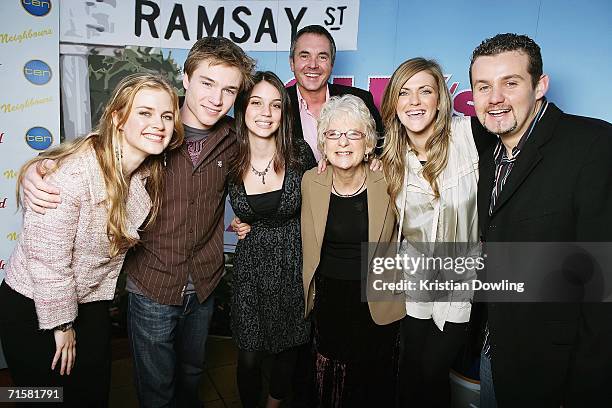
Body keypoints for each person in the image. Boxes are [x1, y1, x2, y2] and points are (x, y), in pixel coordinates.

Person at [19, 36, 256, 407]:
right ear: (186, 78)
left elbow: (271, 167)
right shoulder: (151, 124)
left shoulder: (234, 137)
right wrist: (38, 169)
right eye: (208, 83)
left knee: (191, 374)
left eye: (229, 90)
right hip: (152, 284)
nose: (216, 98)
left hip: (205, 282)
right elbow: (97, 150)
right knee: (153, 388)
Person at [0, 73, 183, 406]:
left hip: (90, 301)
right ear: (118, 118)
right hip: (35, 305)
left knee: (94, 395)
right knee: (45, 398)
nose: (158, 123)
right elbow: (48, 260)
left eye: (166, 115)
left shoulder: (142, 172)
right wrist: (62, 326)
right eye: (145, 112)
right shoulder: (71, 174)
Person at [470, 33, 612, 406]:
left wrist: (586, 386)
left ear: (540, 86)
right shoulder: (488, 155)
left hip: (557, 370)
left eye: (510, 83)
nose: (495, 98)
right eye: (483, 86)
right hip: (495, 352)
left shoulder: (593, 145)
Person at [380, 58, 492, 408]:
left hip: (460, 283)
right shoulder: (389, 155)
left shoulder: (470, 136)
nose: (414, 101)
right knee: (412, 373)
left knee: (431, 370)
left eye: (424, 91)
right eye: (404, 92)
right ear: (393, 103)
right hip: (412, 280)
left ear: (440, 99)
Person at [301, 94, 404, 406]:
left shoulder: (390, 178)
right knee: (331, 386)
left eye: (353, 134)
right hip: (330, 301)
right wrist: (245, 222)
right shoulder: (310, 181)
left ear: (369, 142)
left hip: (377, 302)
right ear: (323, 142)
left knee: (373, 383)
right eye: (333, 134)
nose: (342, 142)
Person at [227, 71, 316, 408]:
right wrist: (239, 221)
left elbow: (322, 205)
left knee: (287, 349)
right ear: (243, 108)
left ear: (284, 112)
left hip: (294, 262)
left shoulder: (299, 153)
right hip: (250, 267)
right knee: (249, 355)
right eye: (257, 103)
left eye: (275, 105)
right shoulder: (230, 157)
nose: (266, 113)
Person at [287, 24, 383, 161]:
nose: (313, 65)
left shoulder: (360, 100)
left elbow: (380, 153)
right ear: (292, 62)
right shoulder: (277, 104)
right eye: (304, 56)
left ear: (332, 64)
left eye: (322, 57)